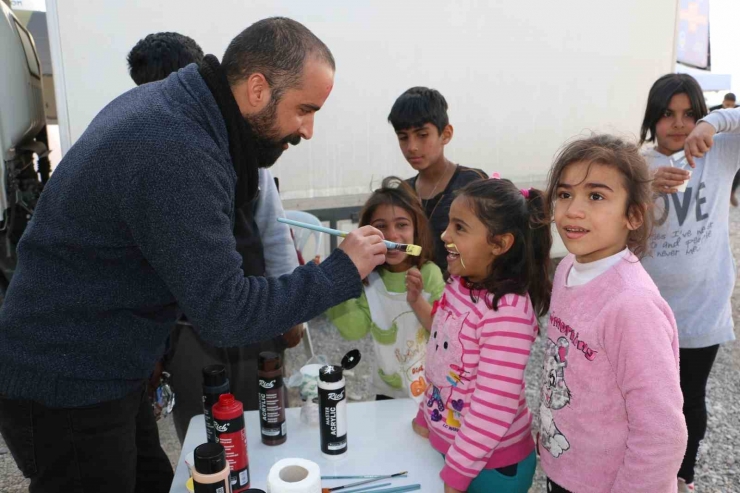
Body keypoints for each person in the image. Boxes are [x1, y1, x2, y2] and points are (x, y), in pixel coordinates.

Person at [0, 17, 387, 493]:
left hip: (103, 369)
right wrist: (338, 272)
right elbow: (225, 313)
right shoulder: (178, 146)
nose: (307, 130)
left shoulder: (181, 112)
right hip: (69, 383)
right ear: (258, 89)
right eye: (304, 110)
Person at [127, 31, 303, 441]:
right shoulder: (143, 161)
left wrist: (290, 316)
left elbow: (275, 235)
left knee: (267, 426)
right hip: (187, 331)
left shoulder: (245, 152)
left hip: (254, 317)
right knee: (203, 434)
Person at [539, 135, 687, 492]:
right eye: (564, 194)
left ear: (633, 215)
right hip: (566, 470)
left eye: (595, 196)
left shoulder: (631, 305)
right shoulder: (567, 269)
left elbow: (661, 432)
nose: (573, 209)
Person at [412, 176, 551, 493]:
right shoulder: (460, 285)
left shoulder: (507, 312)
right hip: (457, 453)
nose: (445, 235)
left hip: (492, 470)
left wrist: (457, 474)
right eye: (449, 223)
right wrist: (426, 416)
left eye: (460, 228)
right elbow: (441, 359)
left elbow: (492, 407)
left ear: (499, 244)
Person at [639, 73, 740, 493]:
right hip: (647, 309)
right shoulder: (637, 163)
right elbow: (612, 220)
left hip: (703, 306)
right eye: (667, 114)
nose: (678, 124)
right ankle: (643, 471)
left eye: (688, 114)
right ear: (652, 119)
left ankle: (682, 476)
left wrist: (714, 122)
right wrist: (644, 191)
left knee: (689, 398)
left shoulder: (720, 152)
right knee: (646, 399)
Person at [326, 177, 444, 400]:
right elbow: (354, 330)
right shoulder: (368, 278)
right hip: (386, 391)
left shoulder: (429, 273)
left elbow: (444, 331)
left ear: (416, 229)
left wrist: (417, 299)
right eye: (381, 226)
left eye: (401, 224)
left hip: (431, 391)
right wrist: (335, 281)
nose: (391, 236)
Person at [388, 87, 486, 270]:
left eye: (422, 135)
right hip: (413, 294)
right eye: (403, 137)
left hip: (462, 294)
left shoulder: (472, 183)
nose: (412, 147)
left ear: (446, 134)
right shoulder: (402, 192)